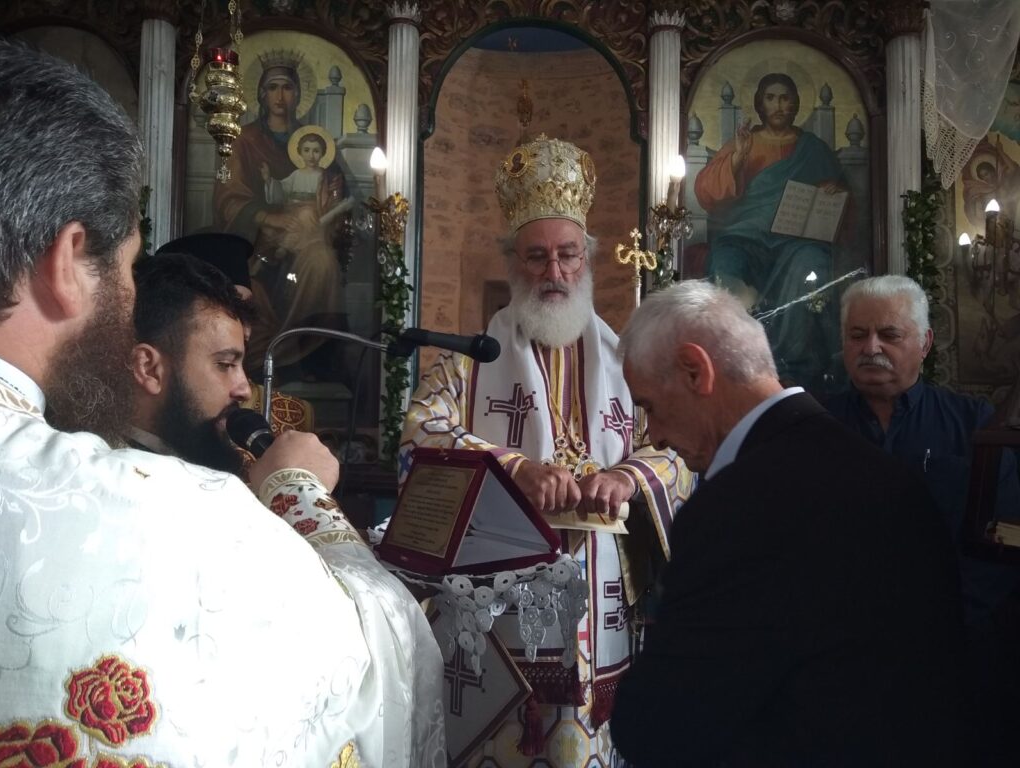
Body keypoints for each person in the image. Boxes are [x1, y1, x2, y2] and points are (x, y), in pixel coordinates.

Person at [0, 40, 444, 767]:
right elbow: (384, 658)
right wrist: (298, 492)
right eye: (126, 269)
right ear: (67, 262)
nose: (129, 301)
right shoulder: (174, 518)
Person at [399, 134, 692, 766]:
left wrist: (628, 477)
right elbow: (420, 432)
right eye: (536, 257)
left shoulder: (630, 361)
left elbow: (678, 447)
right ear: (514, 262)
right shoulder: (469, 361)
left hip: (600, 599)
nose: (553, 273)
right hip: (501, 604)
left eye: (567, 255)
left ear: (587, 260)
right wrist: (516, 469)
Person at [611, 280, 965, 766]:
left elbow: (662, 726)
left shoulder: (736, 506)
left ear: (696, 370)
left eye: (649, 406)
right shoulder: (879, 472)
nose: (654, 436)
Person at [826, 274, 1020, 766]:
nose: (871, 348)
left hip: (955, 659)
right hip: (840, 661)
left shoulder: (975, 424)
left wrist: (939, 621)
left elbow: (1002, 539)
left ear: (925, 343)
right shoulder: (813, 426)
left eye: (889, 335)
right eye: (857, 335)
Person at [694, 72, 849, 389]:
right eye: (770, 98)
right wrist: (737, 159)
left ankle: (792, 363)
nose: (778, 105)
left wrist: (832, 192)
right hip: (745, 237)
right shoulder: (745, 143)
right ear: (759, 104)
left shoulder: (813, 150)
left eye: (785, 98)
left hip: (796, 242)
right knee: (724, 263)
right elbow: (707, 194)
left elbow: (840, 207)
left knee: (812, 264)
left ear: (795, 104)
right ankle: (732, 358)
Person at [213, 55, 346, 370]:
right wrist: (270, 218)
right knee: (252, 281)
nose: (280, 96)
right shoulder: (244, 140)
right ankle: (261, 357)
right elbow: (227, 196)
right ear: (261, 94)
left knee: (323, 262)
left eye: (287, 88)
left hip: (307, 235)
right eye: (273, 88)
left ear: (298, 95)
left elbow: (336, 191)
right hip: (257, 237)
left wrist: (332, 193)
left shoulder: (312, 140)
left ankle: (309, 354)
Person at [155, 232, 316, 434]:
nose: (242, 324)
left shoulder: (292, 414)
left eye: (247, 308)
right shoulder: (151, 416)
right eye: (229, 308)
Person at [129, 252, 255, 474]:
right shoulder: (118, 477)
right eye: (225, 364)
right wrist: (294, 479)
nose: (245, 390)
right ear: (149, 369)